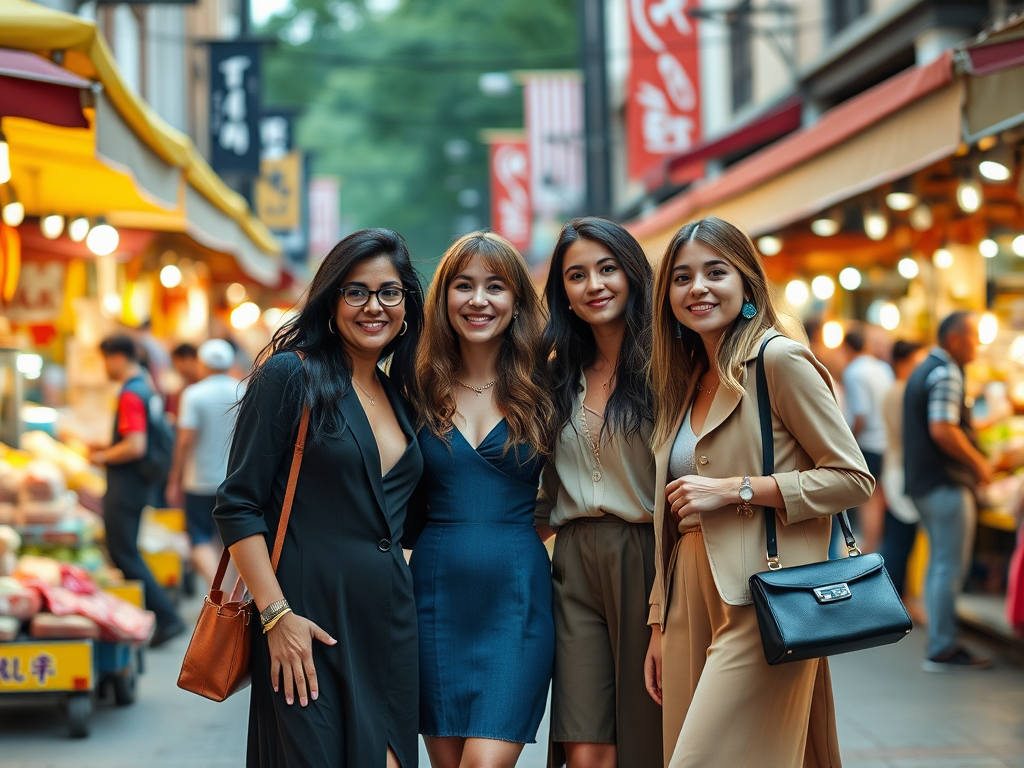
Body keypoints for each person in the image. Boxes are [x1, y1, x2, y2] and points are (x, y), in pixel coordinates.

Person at [644, 217, 873, 768]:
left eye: (715, 272)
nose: (697, 288)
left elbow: (852, 478)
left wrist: (736, 489)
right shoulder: (683, 379)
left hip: (763, 593)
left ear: (747, 283)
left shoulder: (778, 360)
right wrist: (658, 620)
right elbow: (670, 518)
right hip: (687, 594)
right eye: (681, 277)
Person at [213, 229, 425, 768]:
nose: (373, 307)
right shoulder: (290, 375)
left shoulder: (399, 394)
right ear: (331, 299)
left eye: (389, 292)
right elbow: (238, 504)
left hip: (390, 626)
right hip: (306, 625)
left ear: (407, 303)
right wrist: (276, 615)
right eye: (356, 291)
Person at [407, 231, 554, 768]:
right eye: (463, 285)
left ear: (516, 301)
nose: (478, 300)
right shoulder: (413, 387)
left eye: (496, 286)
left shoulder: (546, 386)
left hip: (517, 595)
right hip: (433, 597)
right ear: (443, 298)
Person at [537, 217, 663, 768]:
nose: (595, 285)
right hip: (573, 562)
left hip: (649, 554)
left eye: (607, 269)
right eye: (577, 275)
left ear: (632, 274)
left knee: (649, 733)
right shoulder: (554, 375)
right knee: (585, 747)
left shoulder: (670, 366)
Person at [904, 311, 993, 672]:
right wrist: (978, 463)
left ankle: (941, 641)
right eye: (973, 336)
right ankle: (942, 647)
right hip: (944, 483)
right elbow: (942, 428)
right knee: (947, 565)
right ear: (954, 338)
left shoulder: (925, 368)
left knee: (940, 563)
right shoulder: (946, 372)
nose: (978, 345)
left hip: (925, 483)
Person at [91, 335, 185, 648]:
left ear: (118, 356)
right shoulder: (146, 387)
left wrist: (102, 456)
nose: (104, 367)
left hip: (126, 484)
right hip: (140, 483)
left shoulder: (131, 393)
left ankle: (166, 617)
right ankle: (160, 617)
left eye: (104, 359)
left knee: (124, 553)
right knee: (127, 551)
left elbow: (135, 445)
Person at [165, 339, 241, 587]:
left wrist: (174, 478)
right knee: (226, 540)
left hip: (198, 479)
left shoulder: (194, 394)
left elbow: (185, 440)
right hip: (234, 478)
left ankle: (219, 592)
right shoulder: (244, 389)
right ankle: (229, 602)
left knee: (198, 538)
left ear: (202, 363)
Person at [841, 325, 894, 553]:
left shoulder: (854, 371)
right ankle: (876, 547)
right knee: (878, 496)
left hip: (867, 443)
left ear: (846, 347)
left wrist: (849, 440)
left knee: (867, 500)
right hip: (886, 441)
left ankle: (870, 549)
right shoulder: (882, 368)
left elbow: (860, 414)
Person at [878, 340, 924, 596]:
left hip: (894, 466)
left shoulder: (893, 389)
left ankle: (894, 596)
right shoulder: (905, 391)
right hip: (903, 469)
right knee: (900, 538)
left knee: (898, 535)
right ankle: (891, 596)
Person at [166, 342, 201, 425]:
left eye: (177, 363)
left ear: (189, 359)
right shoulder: (185, 387)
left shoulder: (202, 384)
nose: (177, 369)